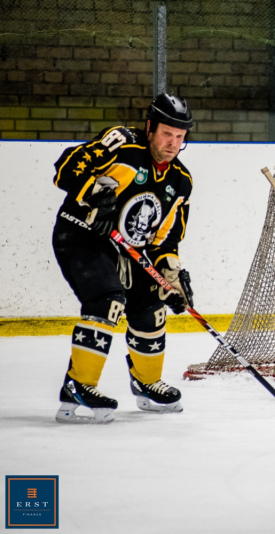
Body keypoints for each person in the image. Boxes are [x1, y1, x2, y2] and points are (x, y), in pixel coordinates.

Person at [52, 94, 195, 424]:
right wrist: (95, 194)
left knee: (152, 305)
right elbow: (65, 168)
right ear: (150, 128)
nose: (173, 143)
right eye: (166, 133)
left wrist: (170, 273)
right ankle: (77, 386)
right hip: (81, 234)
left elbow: (164, 240)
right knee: (107, 299)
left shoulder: (181, 181)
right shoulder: (123, 144)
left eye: (180, 136)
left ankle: (146, 384)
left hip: (127, 250)